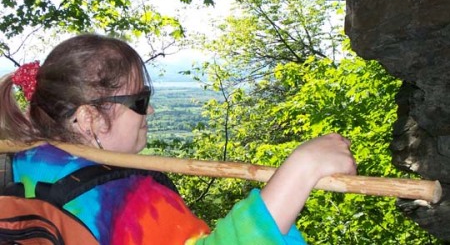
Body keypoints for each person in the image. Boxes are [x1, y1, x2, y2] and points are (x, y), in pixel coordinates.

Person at [0, 34, 356, 244]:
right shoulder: (125, 199)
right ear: (89, 117)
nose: (149, 112)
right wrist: (302, 169)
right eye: (140, 101)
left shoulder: (20, 166)